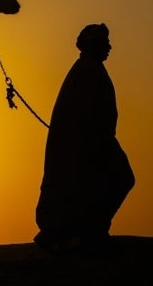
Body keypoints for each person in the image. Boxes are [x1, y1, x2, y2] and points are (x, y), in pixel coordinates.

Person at [34, 23, 135, 254]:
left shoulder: (90, 69)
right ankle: (85, 233)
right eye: (105, 43)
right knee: (118, 179)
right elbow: (84, 113)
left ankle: (83, 232)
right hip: (90, 144)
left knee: (101, 185)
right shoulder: (86, 70)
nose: (110, 47)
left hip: (95, 142)